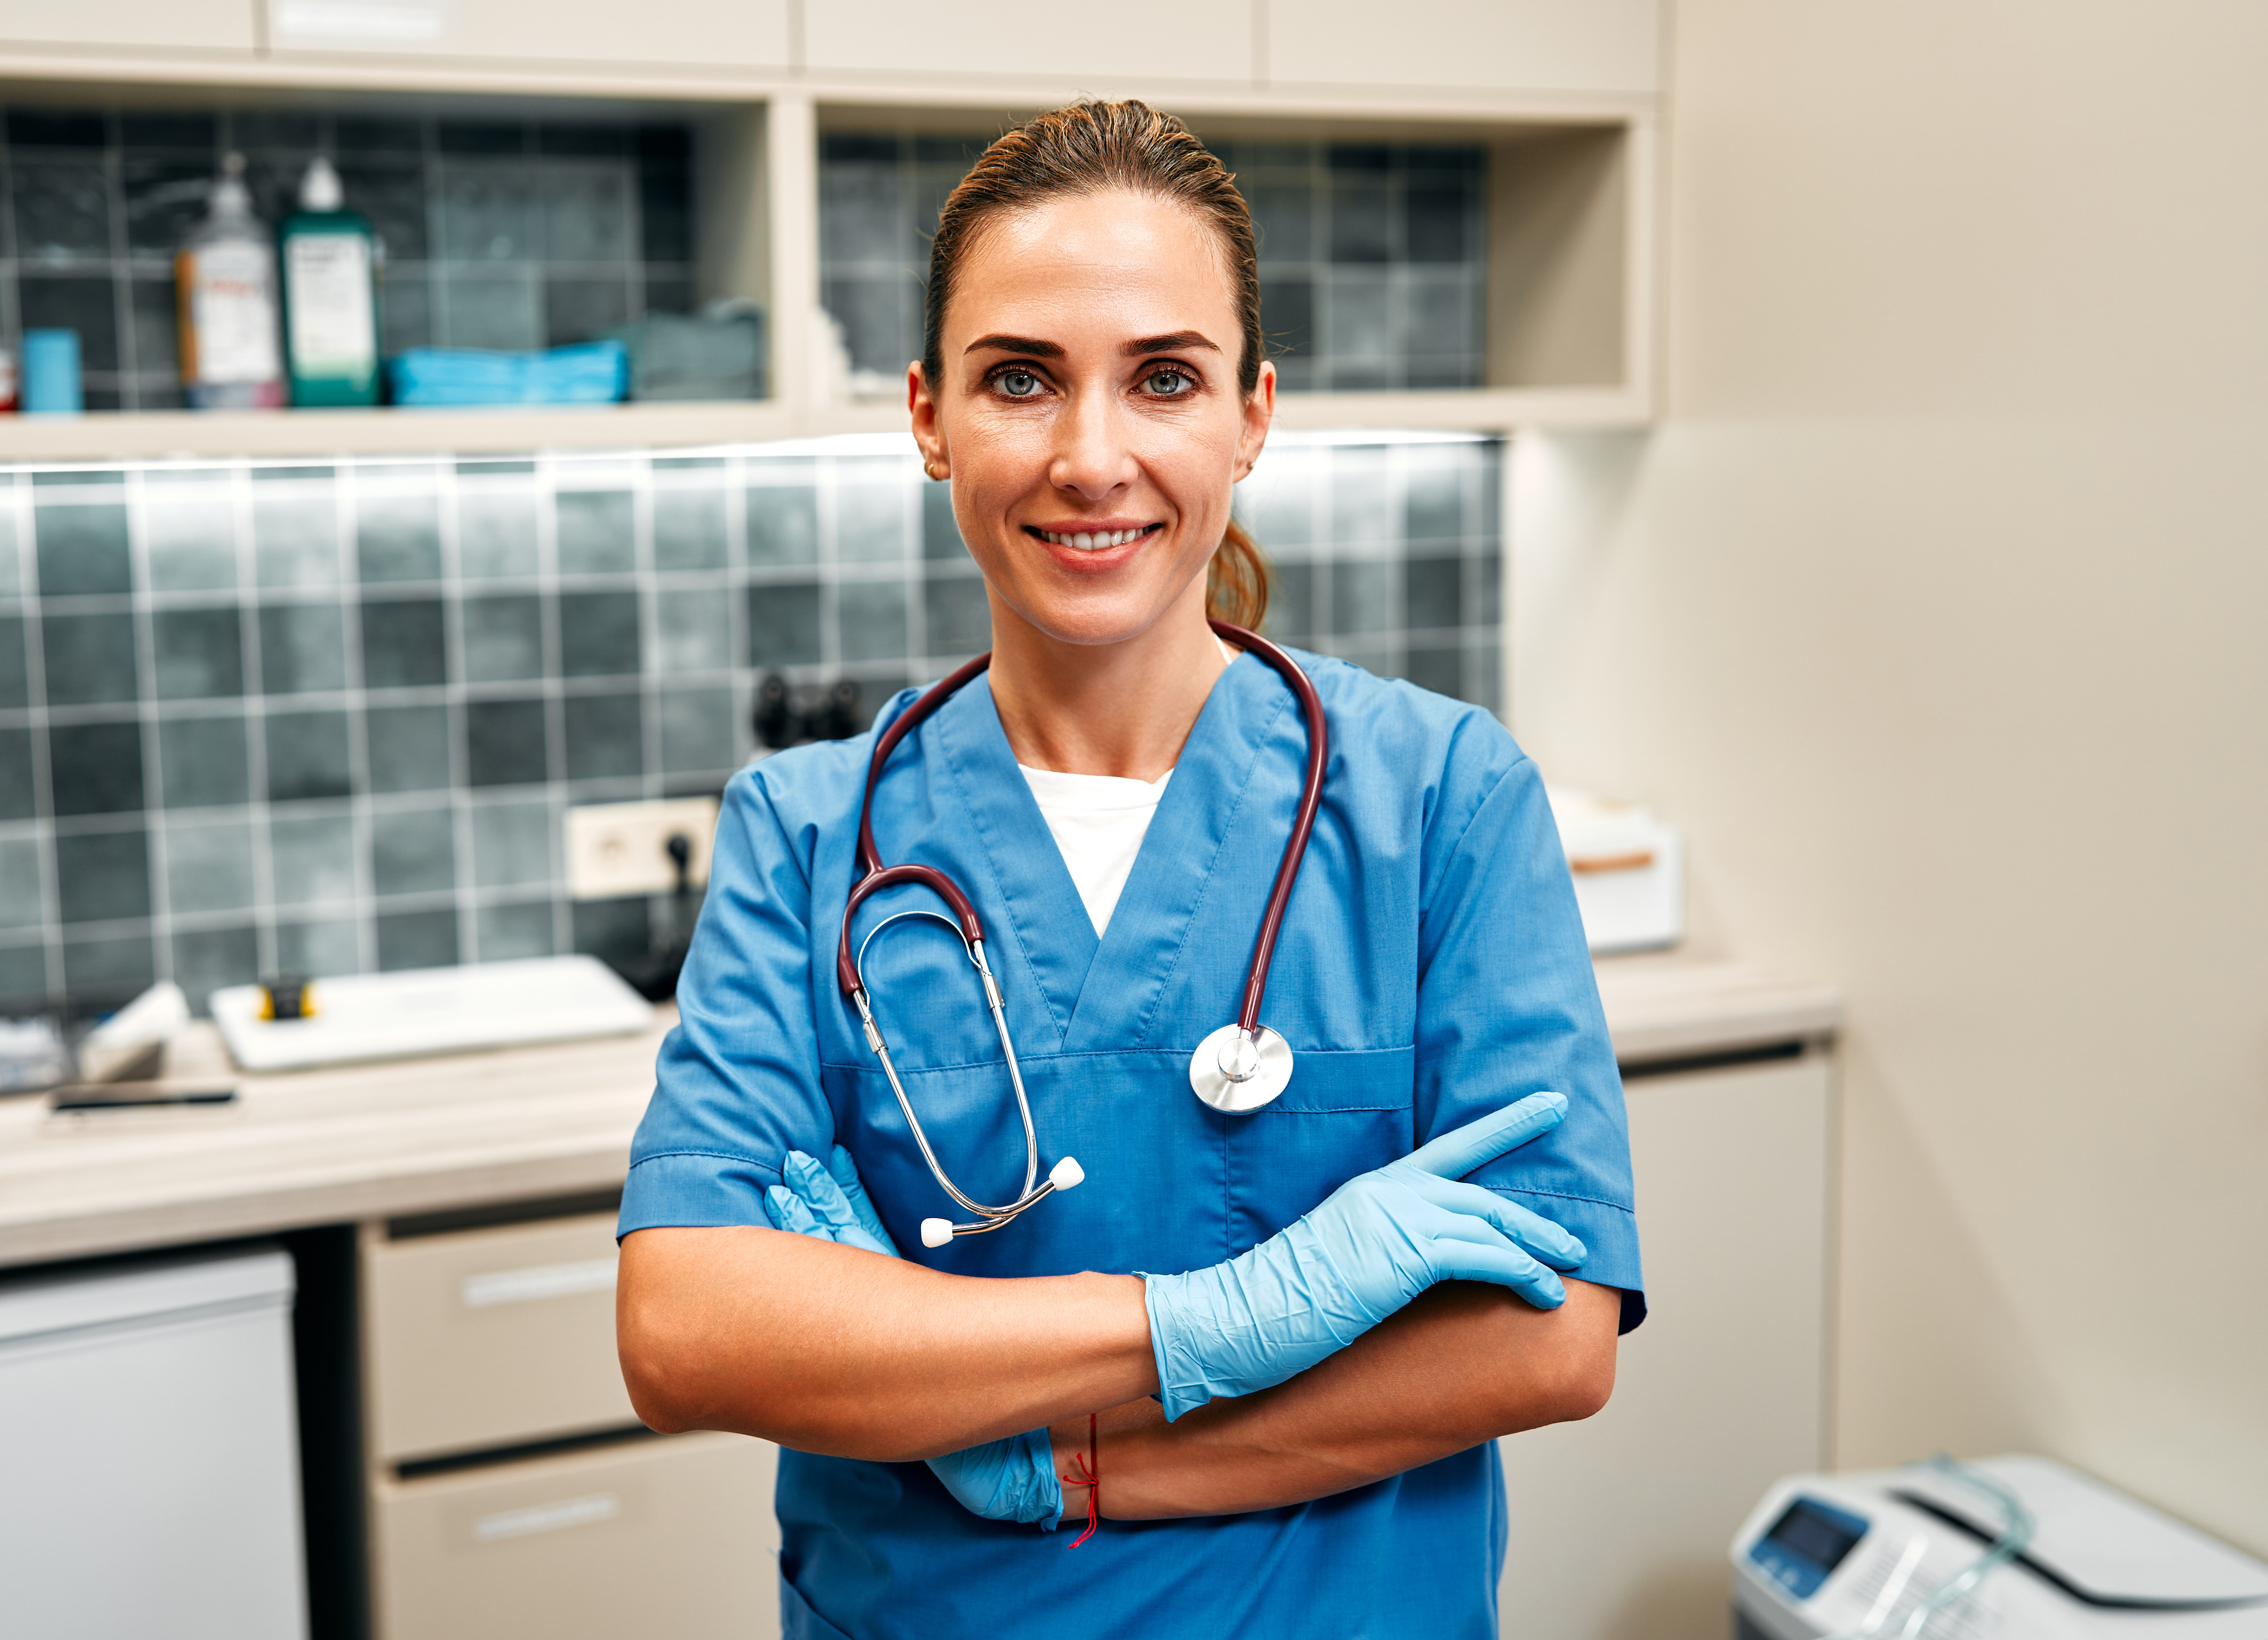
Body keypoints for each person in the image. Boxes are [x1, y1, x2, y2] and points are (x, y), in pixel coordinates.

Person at [615, 98, 1643, 1640]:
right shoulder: (810, 831)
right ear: (926, 419)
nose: (1092, 458)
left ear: (1252, 414)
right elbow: (687, 1331)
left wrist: (1062, 1462)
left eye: (1163, 378)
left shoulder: (1439, 799)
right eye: (1019, 380)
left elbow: (1546, 1338)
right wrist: (1220, 1318)